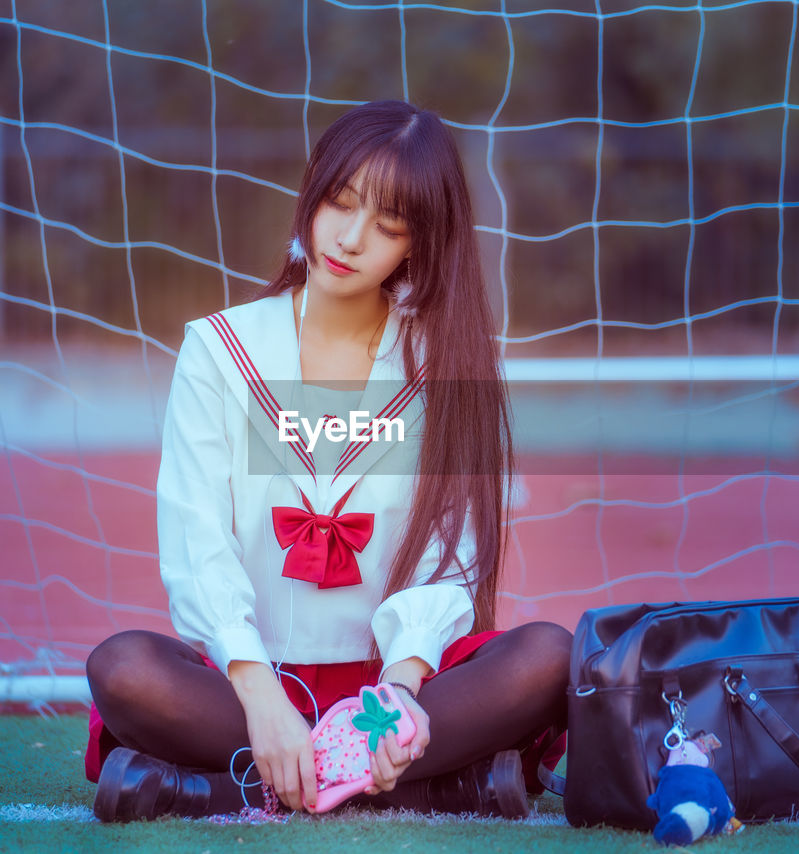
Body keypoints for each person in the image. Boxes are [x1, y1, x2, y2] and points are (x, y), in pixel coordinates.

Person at [84, 100, 571, 822]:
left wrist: (399, 698)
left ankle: (217, 789)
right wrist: (259, 697)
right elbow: (197, 539)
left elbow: (451, 557)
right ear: (313, 190)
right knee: (123, 669)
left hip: (389, 685)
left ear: (419, 244)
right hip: (252, 683)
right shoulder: (220, 351)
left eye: (388, 224)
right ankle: (439, 788)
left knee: (548, 656)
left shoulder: (440, 364)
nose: (350, 237)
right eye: (341, 202)